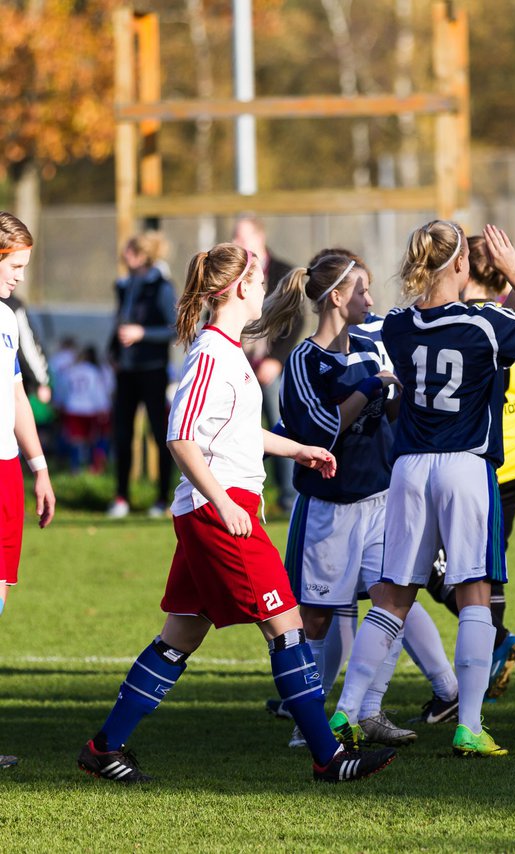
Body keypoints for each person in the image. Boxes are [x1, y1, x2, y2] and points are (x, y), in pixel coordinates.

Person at [76, 242, 395, 784]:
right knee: (287, 624)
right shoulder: (211, 353)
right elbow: (180, 438)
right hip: (218, 511)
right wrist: (224, 502)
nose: (264, 284)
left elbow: (234, 432)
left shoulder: (227, 349)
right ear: (239, 288)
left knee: (182, 633)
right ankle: (329, 757)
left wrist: (298, 449)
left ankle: (103, 747)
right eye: (258, 275)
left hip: (217, 508)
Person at [336, 221, 515, 759]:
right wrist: (514, 274)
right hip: (464, 467)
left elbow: (449, 326)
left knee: (393, 596)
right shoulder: (484, 321)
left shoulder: (397, 324)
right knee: (474, 593)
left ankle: (345, 711)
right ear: (463, 264)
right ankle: (469, 725)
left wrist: (509, 288)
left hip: (410, 468)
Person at [252, 247, 454, 750]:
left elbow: (390, 414)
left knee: (392, 600)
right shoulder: (304, 360)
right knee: (317, 617)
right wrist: (368, 388)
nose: (370, 297)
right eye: (361, 289)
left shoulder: (371, 343)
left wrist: (396, 396)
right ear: (337, 297)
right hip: (329, 510)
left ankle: (369, 709)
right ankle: (308, 719)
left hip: (381, 500)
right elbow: (323, 431)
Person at [420, 235, 515, 701]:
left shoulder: (449, 319)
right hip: (496, 462)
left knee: (444, 573)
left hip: (476, 462)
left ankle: (481, 660)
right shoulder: (492, 319)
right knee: (475, 569)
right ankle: (489, 650)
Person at [0, 212, 56, 770]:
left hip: (8, 472)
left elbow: (16, 396)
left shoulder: (8, 320)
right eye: (15, 266)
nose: (20, 276)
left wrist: (39, 465)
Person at [107, 231, 177, 519]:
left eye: (129, 251)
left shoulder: (161, 287)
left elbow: (173, 328)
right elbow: (119, 322)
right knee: (122, 435)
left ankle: (162, 498)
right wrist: (112, 352)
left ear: (141, 254)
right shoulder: (125, 285)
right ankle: (121, 496)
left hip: (152, 371)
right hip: (126, 372)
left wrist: (142, 333)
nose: (124, 255)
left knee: (160, 434)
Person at [233, 216, 301, 513]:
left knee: (279, 430)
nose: (236, 243)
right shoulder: (233, 272)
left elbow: (295, 320)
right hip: (239, 366)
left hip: (270, 368)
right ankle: (236, 490)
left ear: (259, 238)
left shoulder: (283, 272)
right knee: (236, 429)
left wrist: (276, 360)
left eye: (241, 237)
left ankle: (288, 497)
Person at [58, 346, 112, 474]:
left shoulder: (71, 371)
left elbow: (64, 389)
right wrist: (103, 407)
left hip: (73, 407)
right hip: (89, 409)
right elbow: (97, 391)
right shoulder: (93, 371)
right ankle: (92, 466)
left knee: (75, 439)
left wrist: (61, 403)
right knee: (91, 438)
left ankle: (75, 467)